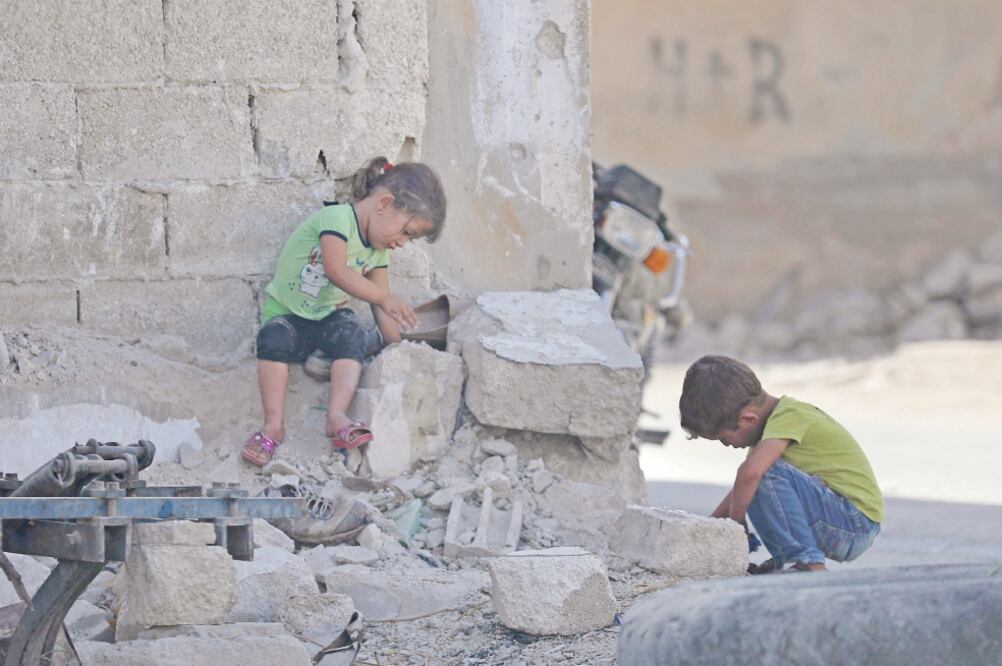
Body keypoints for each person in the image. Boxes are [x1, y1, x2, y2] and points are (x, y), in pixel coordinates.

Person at [241, 157, 447, 466]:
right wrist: (386, 297)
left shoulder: (378, 253)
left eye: (410, 238)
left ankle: (336, 416)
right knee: (272, 337)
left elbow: (381, 307)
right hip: (289, 318)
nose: (403, 243)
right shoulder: (336, 219)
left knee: (350, 331)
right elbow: (337, 271)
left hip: (327, 321)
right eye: (407, 233)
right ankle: (274, 424)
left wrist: (400, 346)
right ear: (384, 203)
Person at [678, 355, 883, 573]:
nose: (727, 445)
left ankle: (809, 563)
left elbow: (750, 475)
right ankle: (787, 560)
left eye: (724, 439)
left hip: (855, 523)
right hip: (839, 520)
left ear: (748, 419)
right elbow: (742, 488)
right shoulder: (767, 435)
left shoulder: (791, 415)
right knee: (752, 483)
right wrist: (706, 530)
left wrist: (736, 526)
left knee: (759, 475)